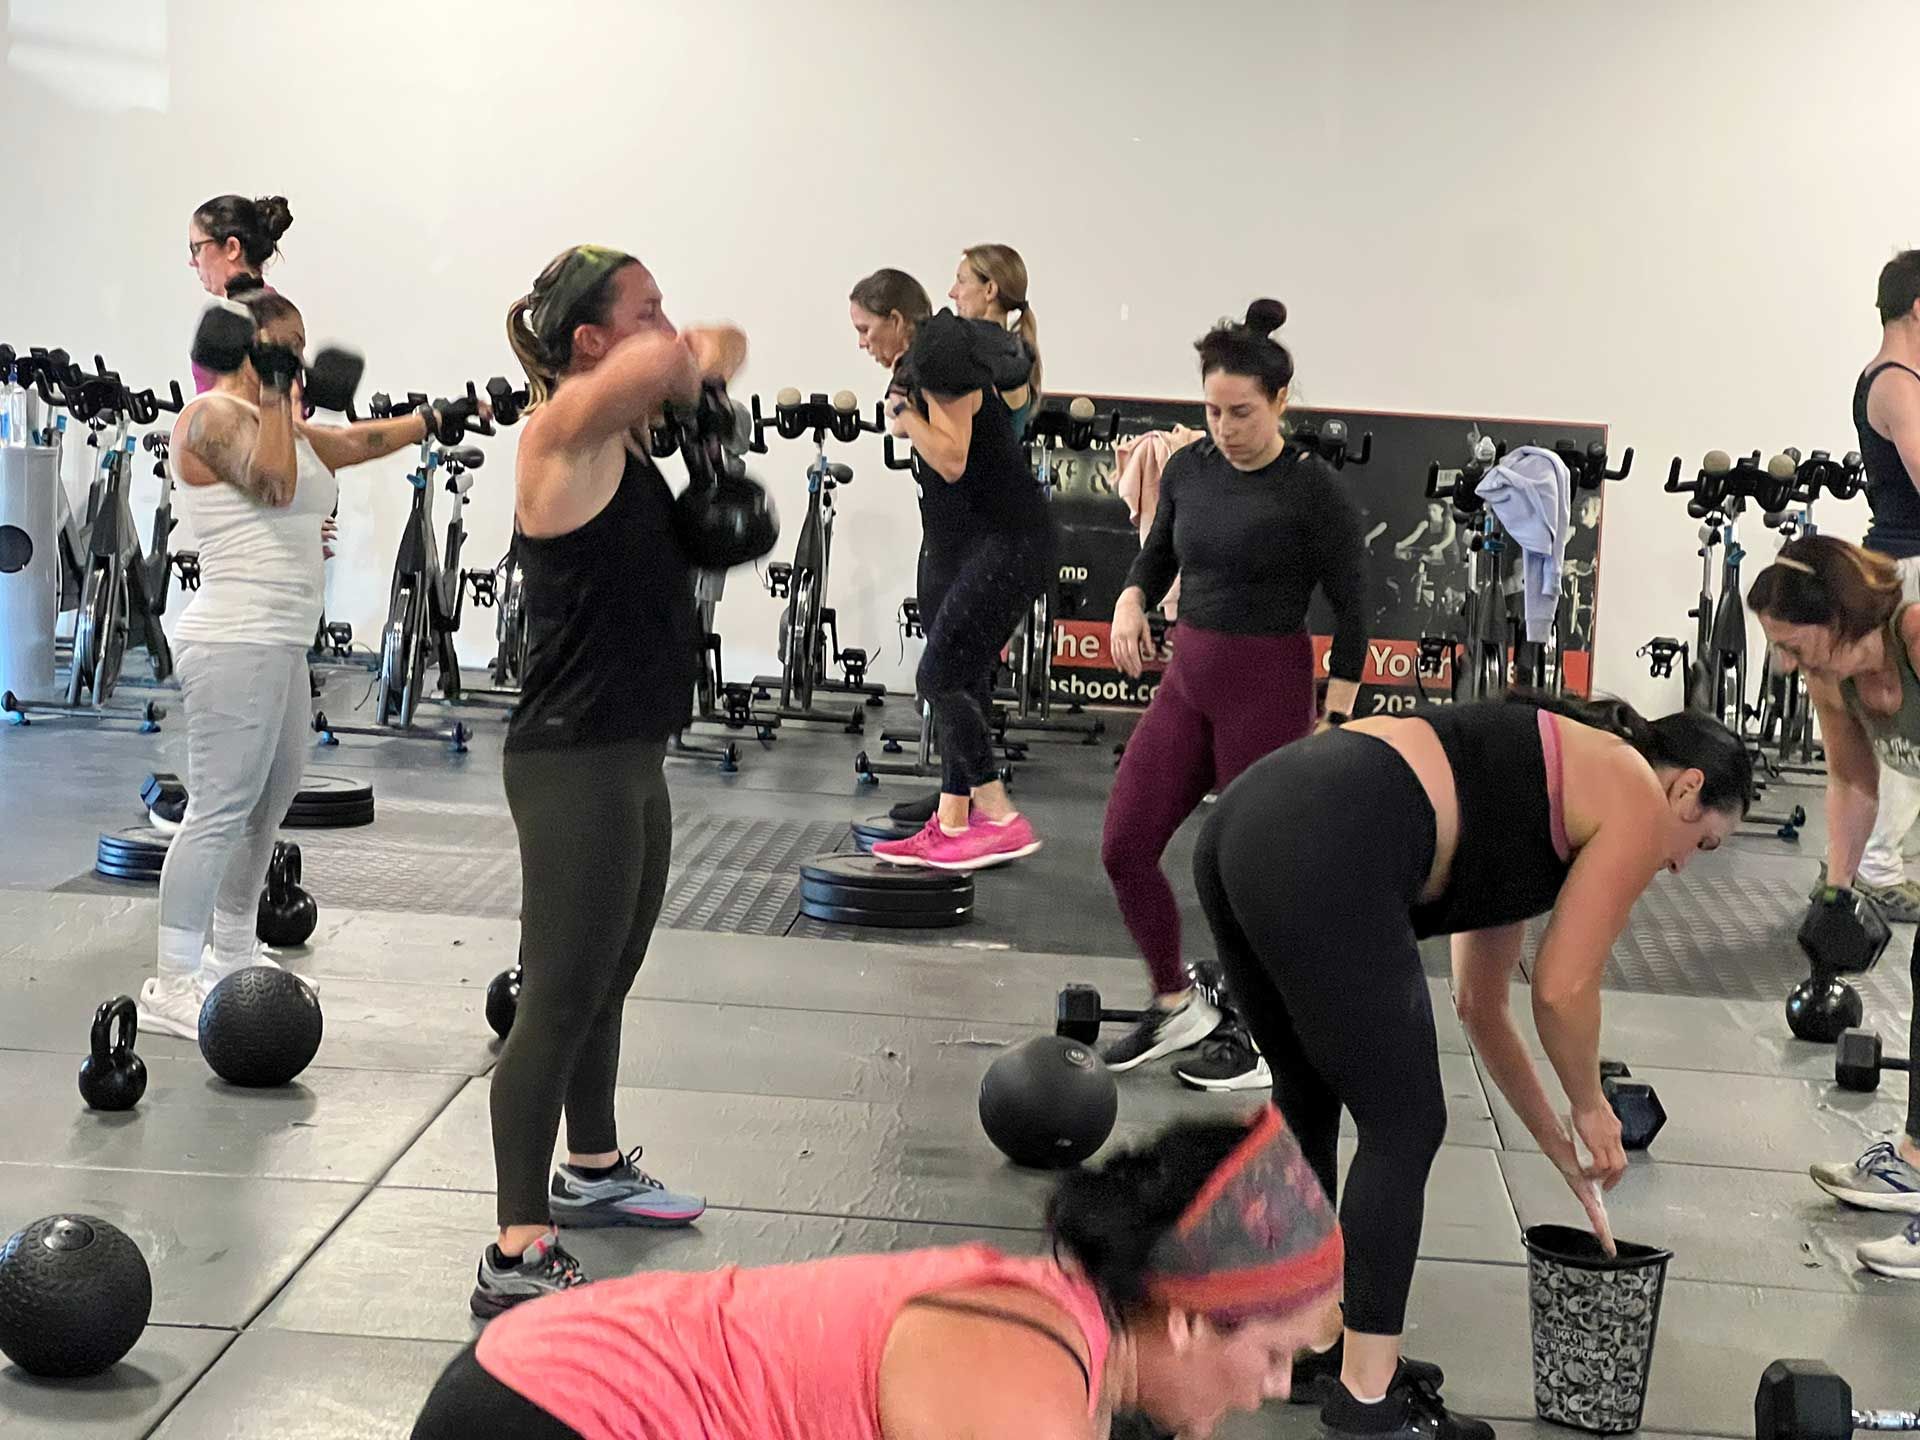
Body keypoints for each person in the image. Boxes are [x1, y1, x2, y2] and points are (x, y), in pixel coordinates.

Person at [1194, 690, 1750, 1439]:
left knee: (1308, 1095)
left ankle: (1314, 1344)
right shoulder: (1633, 792)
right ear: (1685, 788)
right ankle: (1367, 1402)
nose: (1681, 866)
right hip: (1324, 835)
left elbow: (1482, 1005)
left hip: (1247, 819)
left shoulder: (1549, 785)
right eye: (1702, 843)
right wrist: (1591, 1106)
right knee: (1407, 1122)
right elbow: (1563, 986)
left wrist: (1553, 1137)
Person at [412, 1107, 1343, 1440]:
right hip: (544, 1412)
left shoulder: (1066, 1340)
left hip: (533, 1371)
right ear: (1185, 1317)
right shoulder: (1020, 1380)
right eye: (1272, 1355)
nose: (1269, 1394)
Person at [473, 245, 745, 1317]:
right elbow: (683, 358)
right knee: (556, 999)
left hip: (632, 753)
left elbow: (713, 347)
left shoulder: (622, 438)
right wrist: (688, 366)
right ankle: (516, 1247)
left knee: (609, 976)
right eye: (642, 310)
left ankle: (591, 1166)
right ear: (589, 341)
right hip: (572, 760)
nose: (666, 323)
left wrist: (696, 371)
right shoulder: (562, 433)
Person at [139, 291, 453, 1038]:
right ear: (250, 348)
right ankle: (172, 980)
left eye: (301, 345)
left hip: (280, 641)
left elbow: (355, 445)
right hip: (231, 638)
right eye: (286, 345)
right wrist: (276, 392)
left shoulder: (282, 420)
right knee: (220, 807)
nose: (301, 359)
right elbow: (276, 482)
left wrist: (436, 420)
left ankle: (232, 954)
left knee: (267, 805)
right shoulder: (211, 417)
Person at [1098, 300, 1369, 1092]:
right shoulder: (1188, 469)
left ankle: (1260, 1034)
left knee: (1253, 878)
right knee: (1123, 846)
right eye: (1212, 410)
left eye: (1242, 412)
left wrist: (1337, 718)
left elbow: (1355, 611)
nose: (1225, 426)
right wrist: (1127, 599)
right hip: (1189, 679)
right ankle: (1176, 1001)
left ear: (1281, 402)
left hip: (1268, 688)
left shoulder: (1314, 491)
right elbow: (1155, 560)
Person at [1747, 533, 1920, 1281]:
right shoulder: (1835, 677)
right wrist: (1836, 889)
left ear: (1840, 615)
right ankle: (1914, 1163)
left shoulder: (1916, 635)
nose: (1787, 663)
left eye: (1791, 643)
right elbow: (1853, 782)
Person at [868, 299, 1052, 870]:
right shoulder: (939, 359)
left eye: (864, 327)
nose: (861, 341)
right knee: (962, 679)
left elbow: (950, 459)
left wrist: (906, 419)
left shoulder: (939, 359)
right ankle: (951, 822)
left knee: (937, 676)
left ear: (895, 319)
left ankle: (998, 817)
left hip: (1011, 543)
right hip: (988, 543)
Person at [1832, 247, 1920, 924]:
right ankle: (1883, 868)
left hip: (1903, 565)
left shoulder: (1900, 378)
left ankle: (1895, 862)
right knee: (1906, 726)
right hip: (1907, 570)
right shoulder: (1894, 383)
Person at [187, 195, 293, 392]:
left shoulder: (252, 318)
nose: (192, 261)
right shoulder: (277, 308)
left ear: (232, 248)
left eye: (196, 248)